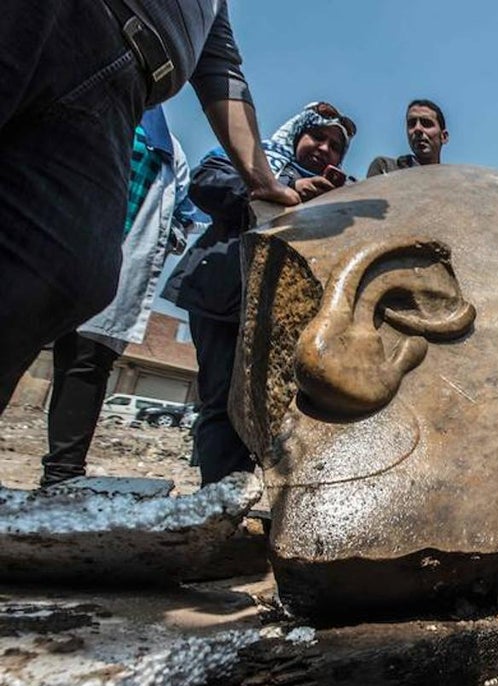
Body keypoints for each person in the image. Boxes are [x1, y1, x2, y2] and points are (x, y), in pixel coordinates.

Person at [0, 1, 299, 417]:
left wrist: (262, 180)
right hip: (62, 16)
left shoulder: (212, 8)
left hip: (123, 86)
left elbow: (221, 72)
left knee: (69, 273)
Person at [163, 102, 356, 485]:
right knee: (221, 399)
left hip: (281, 315)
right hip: (222, 298)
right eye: (318, 137)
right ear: (297, 133)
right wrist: (279, 190)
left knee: (271, 407)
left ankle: (255, 492)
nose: (324, 150)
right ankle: (220, 495)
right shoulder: (253, 160)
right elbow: (206, 184)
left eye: (335, 146)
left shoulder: (337, 194)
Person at [40, 107, 197, 487]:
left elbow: (182, 213)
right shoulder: (77, 102)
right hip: (50, 241)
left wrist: (171, 233)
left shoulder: (167, 149)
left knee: (86, 364)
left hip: (117, 260)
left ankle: (61, 478)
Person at [366, 99, 449, 176]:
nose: (417, 129)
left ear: (444, 137)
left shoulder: (453, 179)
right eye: (412, 124)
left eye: (426, 123)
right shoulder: (387, 169)